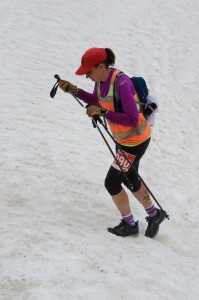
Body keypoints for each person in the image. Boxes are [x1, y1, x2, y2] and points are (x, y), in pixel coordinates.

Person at [58, 47, 165, 238]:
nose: (88, 76)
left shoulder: (122, 83)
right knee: (129, 178)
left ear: (101, 66)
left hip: (135, 141)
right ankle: (154, 215)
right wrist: (74, 90)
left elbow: (132, 118)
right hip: (124, 140)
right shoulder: (100, 81)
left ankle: (130, 224)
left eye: (89, 72)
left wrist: (103, 113)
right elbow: (96, 100)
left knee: (112, 182)